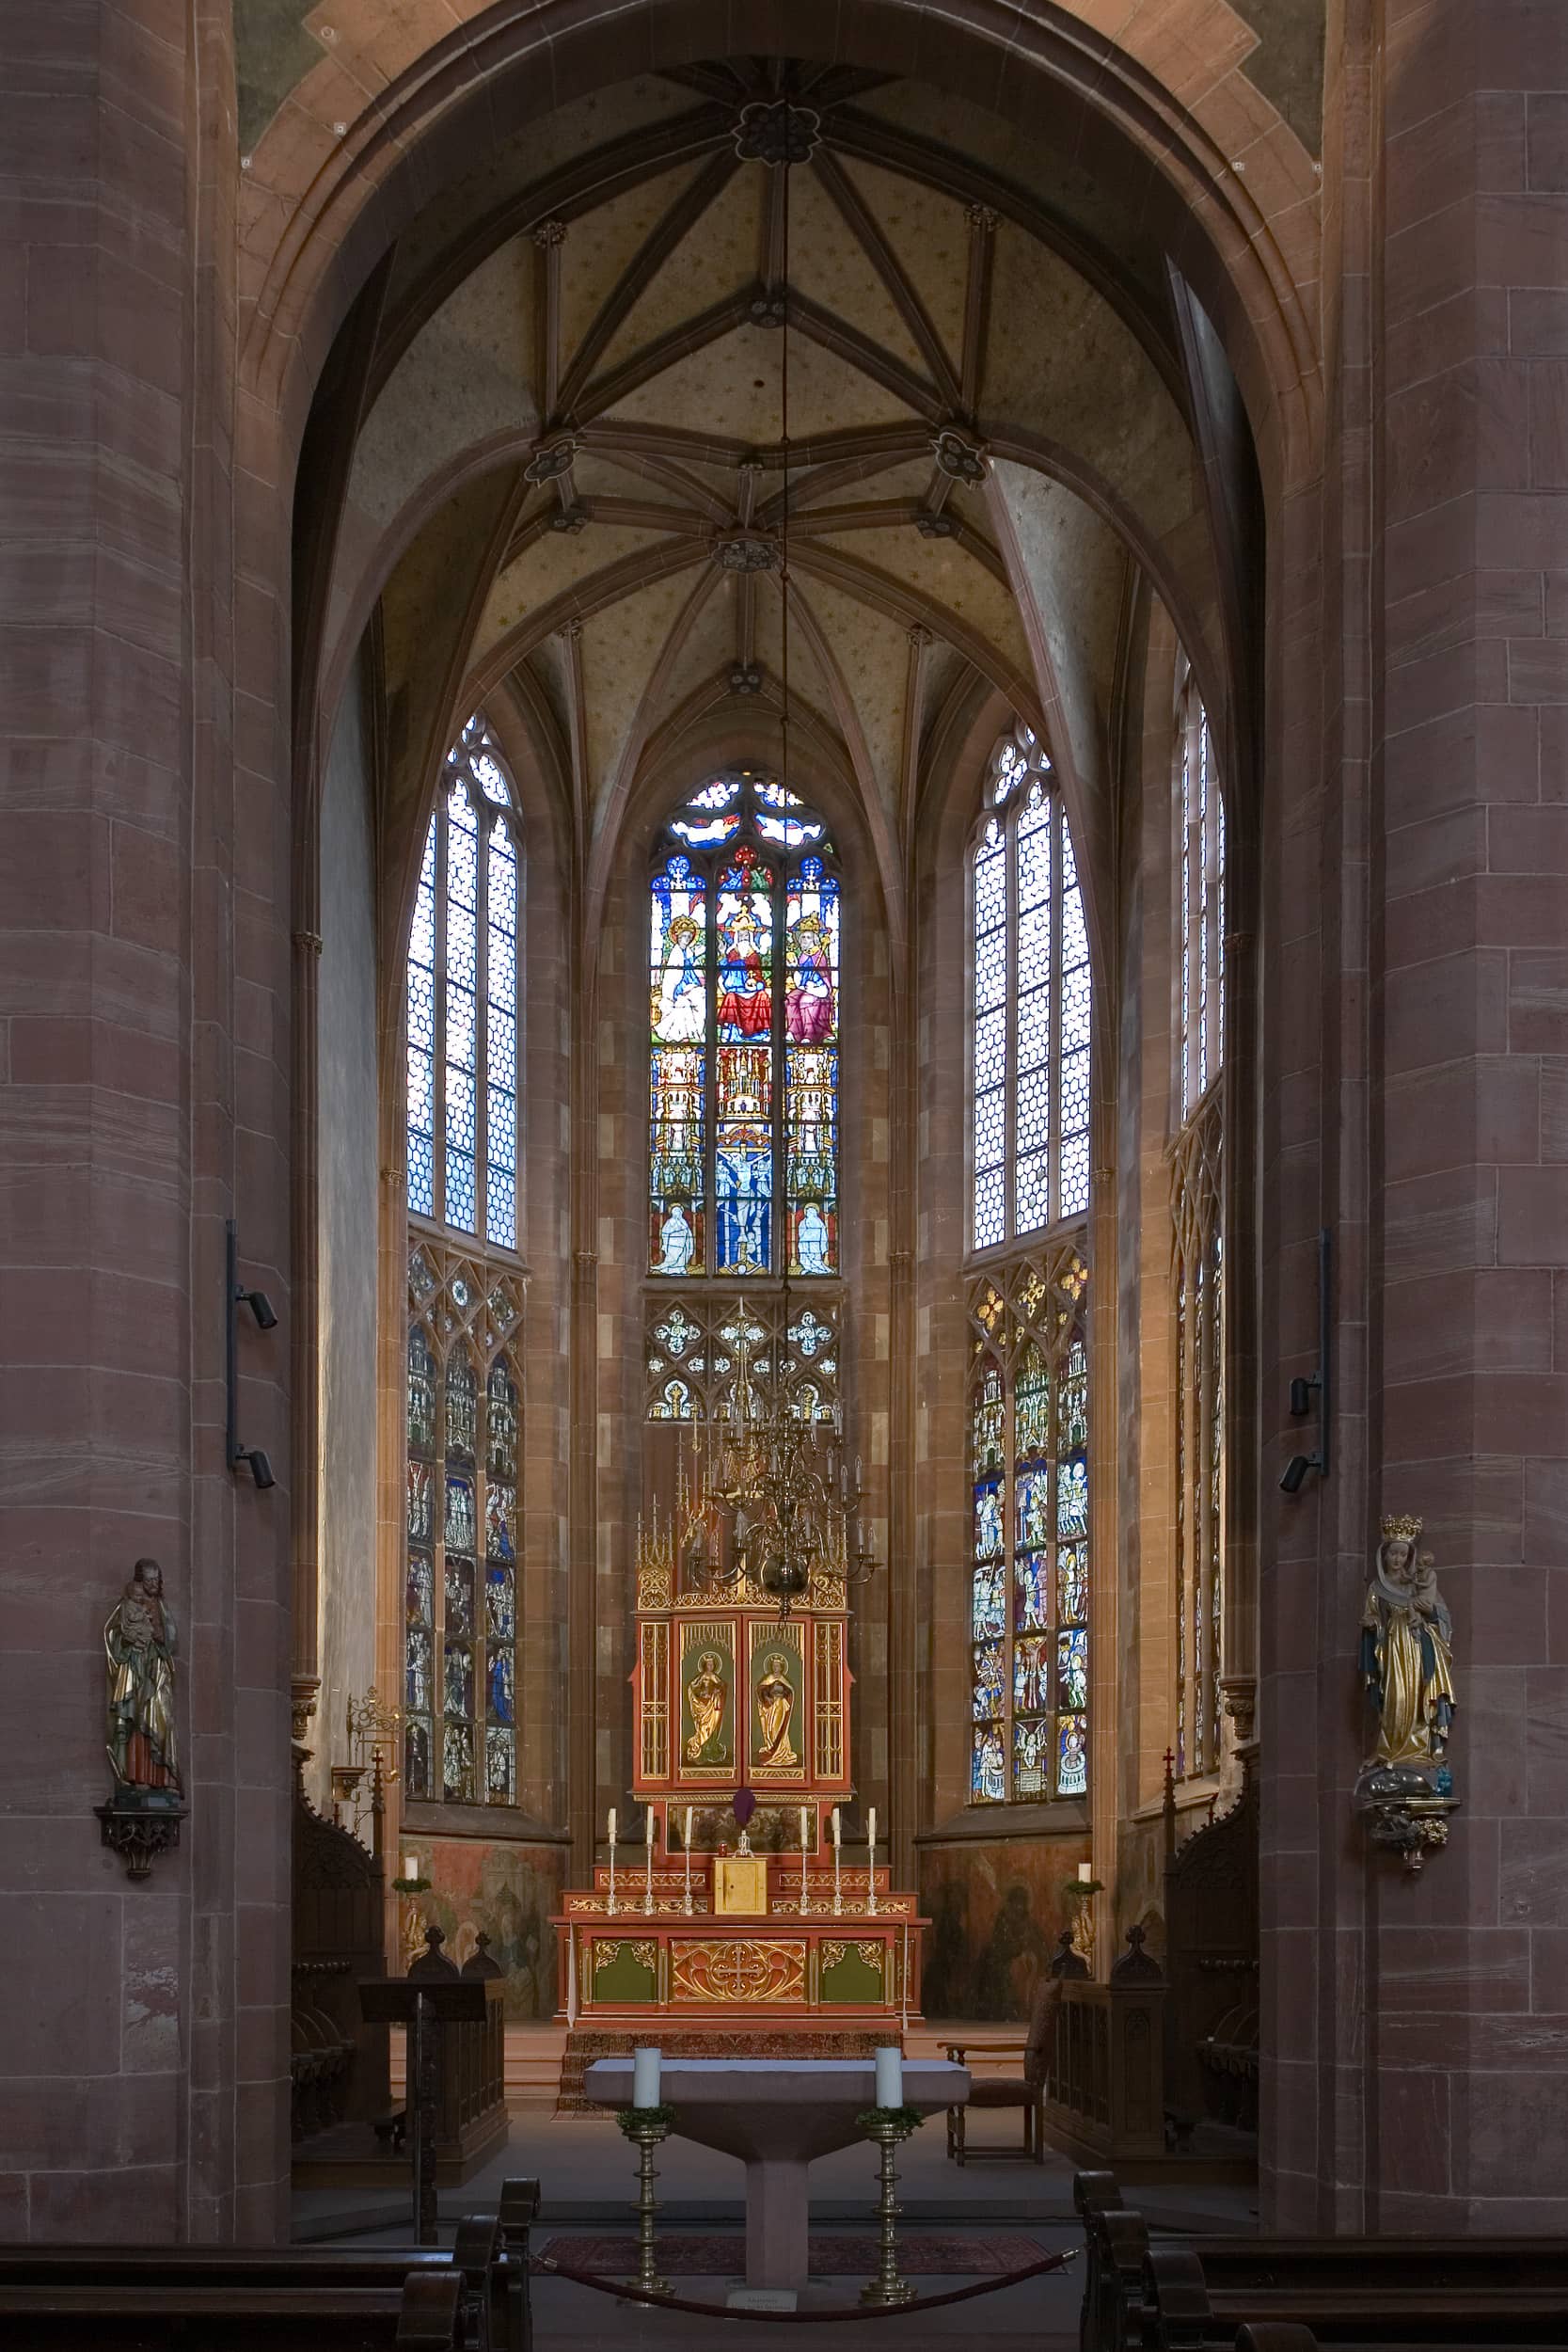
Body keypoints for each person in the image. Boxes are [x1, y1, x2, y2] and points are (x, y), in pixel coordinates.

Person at [1360, 1515, 1455, 1765]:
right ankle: (1389, 1747)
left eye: (1402, 1555)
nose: (1397, 1559)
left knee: (1417, 1696)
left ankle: (1422, 1746)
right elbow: (1371, 1614)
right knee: (1395, 1698)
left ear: (1409, 1557)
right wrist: (1372, 1623)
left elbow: (1440, 1615)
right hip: (1391, 1646)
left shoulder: (1417, 1584)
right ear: (1385, 1555)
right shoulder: (1377, 1589)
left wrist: (1429, 1611)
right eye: (1393, 1554)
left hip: (1416, 1646)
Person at [104, 1559, 181, 1792]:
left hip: (159, 1670)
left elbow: (172, 1638)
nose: (154, 1584)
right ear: (140, 1581)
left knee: (162, 1719)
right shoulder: (127, 1606)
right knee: (139, 1720)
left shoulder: (162, 1606)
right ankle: (140, 1777)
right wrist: (129, 1640)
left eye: (157, 1579)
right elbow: (112, 1634)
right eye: (149, 1580)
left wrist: (162, 1637)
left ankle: (165, 1777)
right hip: (136, 1671)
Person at [654, 912, 705, 1041]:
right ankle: (686, 1033)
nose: (687, 939)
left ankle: (696, 1032)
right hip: (679, 988)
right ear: (678, 937)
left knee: (702, 998)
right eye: (684, 936)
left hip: (691, 986)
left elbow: (696, 970)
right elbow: (673, 976)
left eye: (689, 936)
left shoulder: (689, 952)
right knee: (686, 1002)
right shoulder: (676, 953)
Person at [754, 1651, 798, 1767]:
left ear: (781, 1668)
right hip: (771, 1708)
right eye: (774, 1666)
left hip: (781, 1707)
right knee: (771, 1728)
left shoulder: (784, 1680)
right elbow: (761, 1690)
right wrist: (768, 1697)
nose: (775, 1668)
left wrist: (782, 1696)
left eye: (777, 1666)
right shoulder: (768, 1678)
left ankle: (780, 1749)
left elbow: (789, 1692)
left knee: (778, 1727)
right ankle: (771, 1746)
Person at [656, 1201, 696, 1274]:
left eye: (679, 1211)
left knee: (681, 1258)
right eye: (675, 1211)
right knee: (672, 1256)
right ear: (672, 1212)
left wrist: (689, 1244)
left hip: (682, 1243)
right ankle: (669, 1269)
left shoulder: (683, 1222)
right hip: (672, 1244)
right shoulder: (669, 1222)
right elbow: (664, 1232)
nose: (677, 1212)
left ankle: (680, 1269)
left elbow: (688, 1233)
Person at [795, 1201, 832, 1274]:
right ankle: (808, 1268)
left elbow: (823, 1233)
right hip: (805, 1244)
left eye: (812, 1211)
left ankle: (818, 1269)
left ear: (815, 1212)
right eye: (808, 1211)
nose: (810, 1212)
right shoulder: (803, 1221)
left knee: (816, 1257)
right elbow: (801, 1232)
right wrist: (804, 1238)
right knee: (805, 1257)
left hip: (815, 1244)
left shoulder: (819, 1222)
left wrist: (823, 1244)